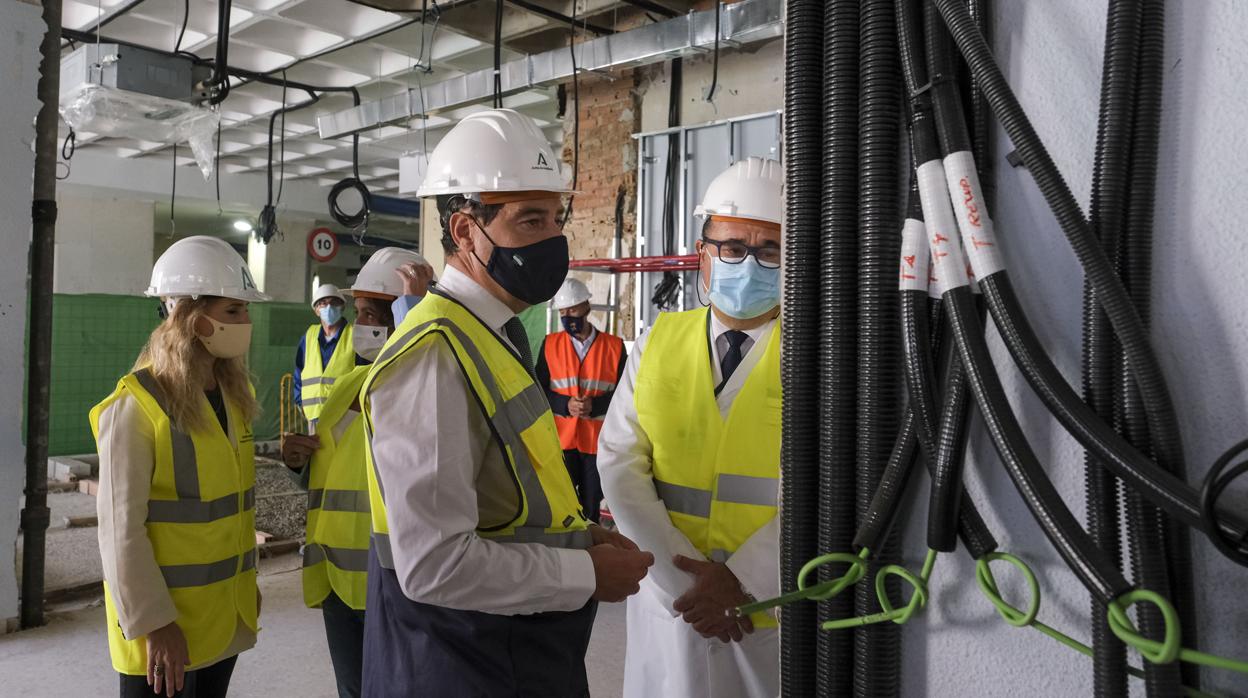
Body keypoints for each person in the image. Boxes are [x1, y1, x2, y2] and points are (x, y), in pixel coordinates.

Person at [357, 108, 654, 697]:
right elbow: (435, 565)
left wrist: (581, 538)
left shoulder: (494, 335)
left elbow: (507, 501)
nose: (552, 240)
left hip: (512, 652)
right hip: (464, 661)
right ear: (466, 231)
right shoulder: (434, 356)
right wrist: (585, 573)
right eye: (529, 220)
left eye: (554, 219)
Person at [597, 157, 784, 698]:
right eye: (731, 247)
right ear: (704, 254)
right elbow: (619, 463)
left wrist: (743, 582)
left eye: (768, 250)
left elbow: (827, 489)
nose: (747, 264)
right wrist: (685, 584)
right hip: (669, 600)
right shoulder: (657, 340)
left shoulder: (817, 357)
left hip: (763, 608)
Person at [90, 235, 269, 698]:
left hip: (220, 618)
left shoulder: (230, 399)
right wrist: (154, 621)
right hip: (163, 633)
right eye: (233, 311)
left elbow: (232, 511)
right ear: (192, 318)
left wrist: (242, 587)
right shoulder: (136, 406)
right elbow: (119, 532)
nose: (245, 322)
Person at [281, 248, 431, 698]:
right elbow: (328, 473)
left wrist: (421, 319)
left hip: (394, 581)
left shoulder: (426, 381)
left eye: (369, 312)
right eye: (359, 311)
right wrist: (297, 464)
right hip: (337, 578)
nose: (358, 324)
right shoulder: (349, 382)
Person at [536, 278, 627, 523]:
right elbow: (538, 390)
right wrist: (565, 405)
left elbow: (625, 395)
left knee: (591, 504)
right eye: (563, 312)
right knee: (562, 501)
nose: (568, 317)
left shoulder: (614, 347)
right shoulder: (549, 345)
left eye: (573, 310)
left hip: (598, 443)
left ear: (586, 307)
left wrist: (594, 406)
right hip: (562, 441)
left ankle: (594, 552)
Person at [294, 283, 360, 429]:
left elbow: (362, 376)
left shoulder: (354, 335)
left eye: (334, 303)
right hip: (313, 417)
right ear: (316, 310)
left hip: (344, 416)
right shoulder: (309, 336)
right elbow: (299, 373)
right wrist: (301, 402)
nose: (328, 307)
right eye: (323, 304)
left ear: (342, 307)